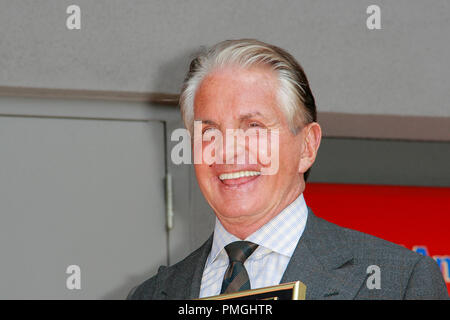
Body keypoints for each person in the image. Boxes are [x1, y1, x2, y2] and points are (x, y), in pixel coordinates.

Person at [128, 39, 448, 299]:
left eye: (253, 127)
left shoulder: (400, 284)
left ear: (307, 147)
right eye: (208, 132)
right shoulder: (152, 295)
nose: (228, 151)